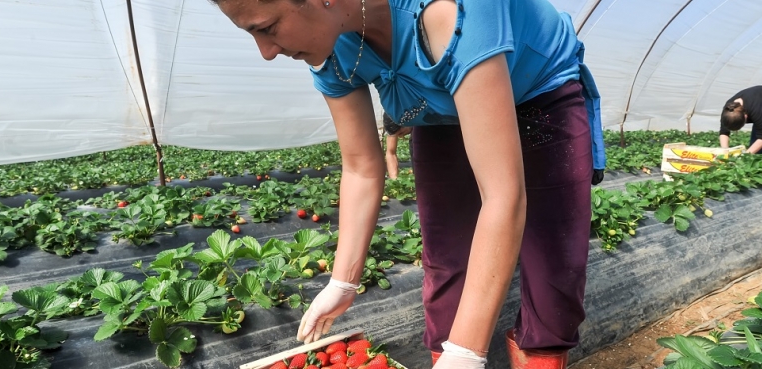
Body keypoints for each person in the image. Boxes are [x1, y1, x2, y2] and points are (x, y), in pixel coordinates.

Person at [211, 0, 606, 367]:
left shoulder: (452, 12)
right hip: (437, 105)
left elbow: (502, 196)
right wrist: (342, 281)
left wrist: (467, 352)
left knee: (553, 262)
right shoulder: (331, 48)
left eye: (267, 27)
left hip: (538, 88)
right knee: (447, 254)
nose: (265, 50)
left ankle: (535, 353)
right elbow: (362, 167)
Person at [383, 113, 412, 179]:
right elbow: (391, 152)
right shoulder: (391, 115)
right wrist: (394, 180)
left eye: (401, 133)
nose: (400, 136)